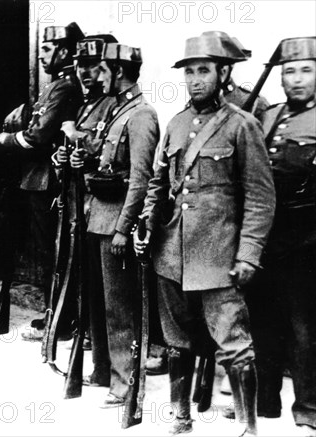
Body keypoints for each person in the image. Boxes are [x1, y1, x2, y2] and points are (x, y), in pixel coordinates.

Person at [134, 32, 276, 435]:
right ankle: (180, 418)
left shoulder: (242, 126)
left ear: (223, 73)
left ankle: (248, 425)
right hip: (173, 253)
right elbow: (159, 184)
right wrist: (147, 222)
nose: (195, 80)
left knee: (234, 344)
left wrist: (248, 253)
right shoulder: (177, 124)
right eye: (190, 72)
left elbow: (261, 198)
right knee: (177, 341)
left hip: (219, 255)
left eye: (203, 71)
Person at [58, 40, 159, 407]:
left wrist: (123, 228)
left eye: (102, 69)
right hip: (94, 215)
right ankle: (103, 369)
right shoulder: (116, 111)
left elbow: (141, 179)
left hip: (115, 221)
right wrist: (77, 159)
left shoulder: (142, 115)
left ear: (118, 72)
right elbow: (102, 162)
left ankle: (125, 381)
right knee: (98, 304)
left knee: (119, 307)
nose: (97, 76)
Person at [0, 22, 84, 341]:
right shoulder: (56, 85)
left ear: (63, 51)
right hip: (38, 178)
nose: (42, 55)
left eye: (47, 49)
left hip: (47, 180)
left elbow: (38, 135)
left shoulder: (63, 86)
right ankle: (54, 314)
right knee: (47, 255)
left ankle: (59, 321)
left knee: (53, 255)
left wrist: (7, 139)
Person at [247, 36, 316, 436]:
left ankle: (308, 409)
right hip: (267, 237)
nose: (296, 79)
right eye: (289, 71)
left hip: (308, 243)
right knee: (264, 323)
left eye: (306, 70)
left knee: (306, 330)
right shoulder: (268, 117)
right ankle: (265, 404)